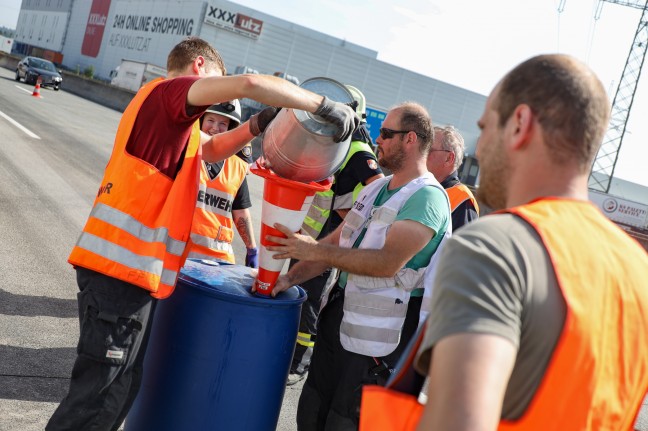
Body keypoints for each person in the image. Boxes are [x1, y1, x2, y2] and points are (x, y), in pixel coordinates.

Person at [47, 36, 357, 431]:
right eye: (214, 81)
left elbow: (210, 150)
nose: (212, 98)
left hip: (132, 276)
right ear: (198, 67)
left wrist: (259, 124)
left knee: (121, 389)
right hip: (118, 274)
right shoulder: (170, 93)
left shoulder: (169, 118)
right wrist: (320, 105)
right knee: (97, 398)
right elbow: (247, 85)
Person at [408, 54, 648, 430]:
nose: (481, 148)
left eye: (486, 128)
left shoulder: (494, 247)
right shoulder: (638, 271)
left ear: (519, 124)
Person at [265, 102, 450, 430]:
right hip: (339, 323)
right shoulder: (378, 187)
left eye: (386, 134)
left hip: (378, 344)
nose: (377, 139)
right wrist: (288, 278)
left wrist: (311, 249)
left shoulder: (427, 198)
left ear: (410, 139)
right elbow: (336, 243)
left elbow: (387, 264)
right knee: (312, 410)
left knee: (343, 422)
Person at [287, 85, 384, 386]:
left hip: (326, 242)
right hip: (308, 238)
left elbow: (379, 189)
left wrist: (352, 217)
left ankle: (300, 362)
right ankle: (290, 354)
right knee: (296, 296)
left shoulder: (357, 150)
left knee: (309, 302)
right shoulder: (333, 144)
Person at [188, 100, 259, 267]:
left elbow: (240, 211)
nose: (215, 128)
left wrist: (251, 249)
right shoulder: (184, 155)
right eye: (210, 120)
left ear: (231, 129)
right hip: (178, 254)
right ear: (200, 121)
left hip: (218, 261)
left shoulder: (237, 166)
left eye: (223, 123)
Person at [426, 125, 479, 230]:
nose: (421, 154)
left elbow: (461, 245)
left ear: (449, 158)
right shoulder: (419, 186)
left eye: (428, 150)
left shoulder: (462, 199)